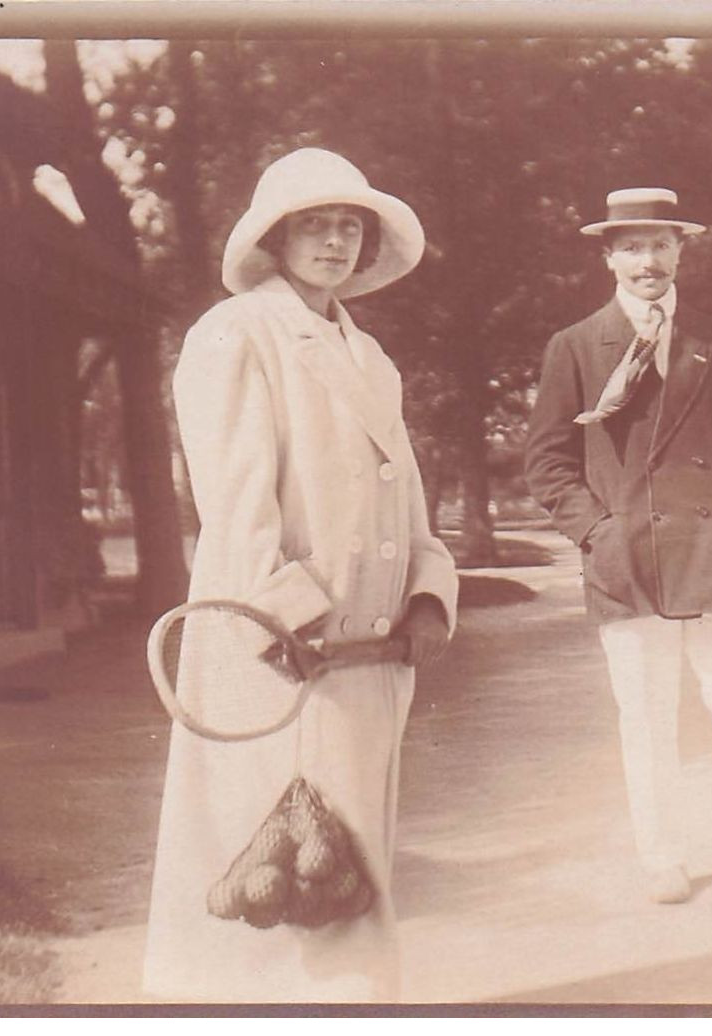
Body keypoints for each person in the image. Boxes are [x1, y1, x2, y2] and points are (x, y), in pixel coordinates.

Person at [142, 148, 457, 1002]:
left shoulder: (369, 355)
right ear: (275, 240)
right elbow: (235, 507)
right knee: (267, 852)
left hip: (371, 647)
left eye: (349, 226)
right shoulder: (234, 334)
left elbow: (409, 496)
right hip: (276, 642)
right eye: (314, 225)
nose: (333, 241)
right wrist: (280, 621)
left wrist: (429, 595)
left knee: (348, 847)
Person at [524, 187, 712, 905]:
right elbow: (546, 459)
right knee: (647, 715)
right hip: (628, 559)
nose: (646, 260)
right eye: (630, 246)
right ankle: (662, 856)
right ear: (607, 257)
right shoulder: (574, 345)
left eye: (659, 243)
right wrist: (596, 535)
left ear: (681, 250)